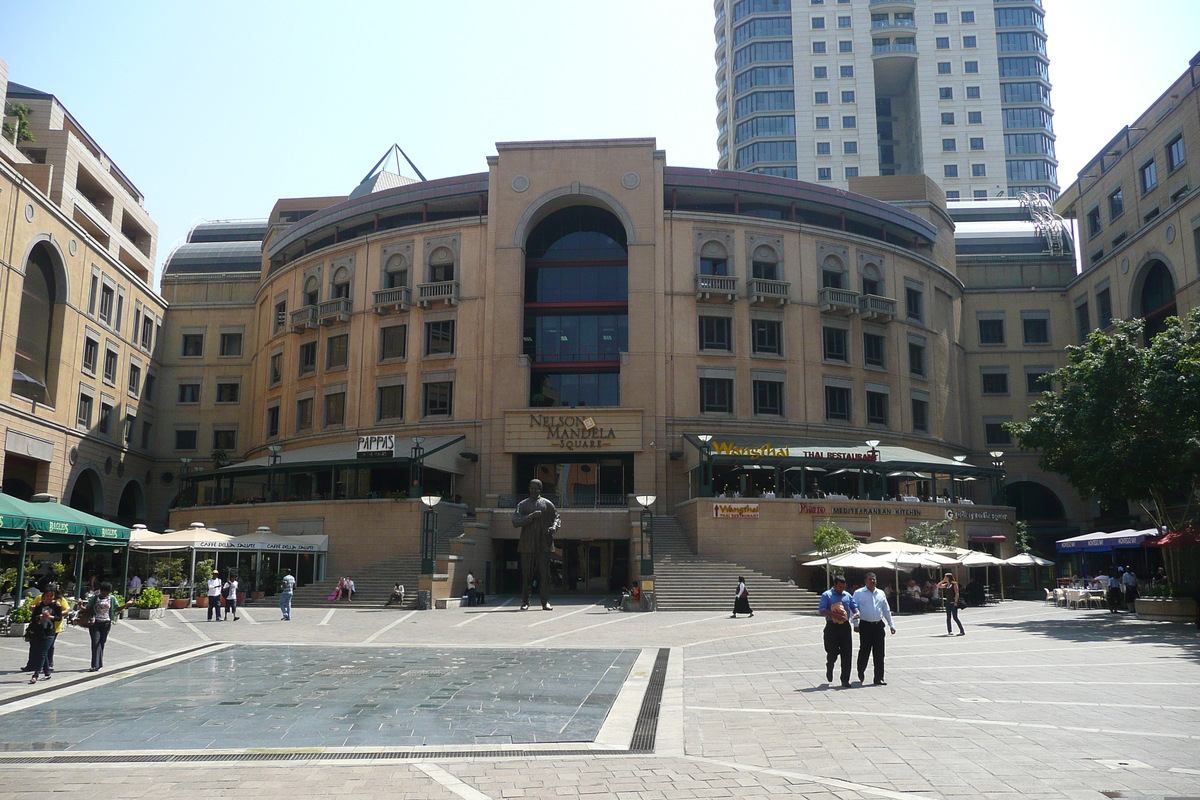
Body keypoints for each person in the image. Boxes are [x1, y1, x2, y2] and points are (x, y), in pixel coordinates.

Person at [512, 478, 560, 611]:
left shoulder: (547, 504)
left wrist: (554, 527)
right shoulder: (523, 504)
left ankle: (545, 602)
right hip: (527, 544)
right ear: (528, 489)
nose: (534, 490)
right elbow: (515, 521)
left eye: (536, 488)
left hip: (543, 544)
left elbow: (557, 517)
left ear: (540, 489)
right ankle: (525, 601)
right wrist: (530, 517)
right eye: (532, 488)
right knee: (527, 574)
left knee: (545, 575)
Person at [851, 572, 895, 686]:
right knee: (864, 651)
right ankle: (861, 670)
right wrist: (855, 624)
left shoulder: (880, 593)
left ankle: (879, 677)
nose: (872, 581)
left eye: (874, 579)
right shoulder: (859, 593)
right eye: (870, 579)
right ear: (865, 581)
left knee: (879, 653)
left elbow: (886, 609)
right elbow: (853, 609)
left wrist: (891, 624)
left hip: (878, 626)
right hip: (865, 626)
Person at [819, 575, 856, 687]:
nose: (841, 589)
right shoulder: (827, 595)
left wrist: (857, 612)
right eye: (839, 587)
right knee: (832, 651)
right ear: (835, 585)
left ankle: (845, 679)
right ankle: (830, 664)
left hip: (844, 627)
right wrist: (834, 615)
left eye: (843, 587)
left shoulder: (847, 595)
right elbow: (822, 609)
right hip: (832, 626)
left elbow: (854, 606)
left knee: (847, 653)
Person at [85, 582, 130, 672]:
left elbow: (117, 608)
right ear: (100, 591)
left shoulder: (111, 598)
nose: (105, 594)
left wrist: (126, 605)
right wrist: (80, 606)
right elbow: (88, 608)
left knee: (102, 642)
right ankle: (94, 665)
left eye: (107, 592)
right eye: (104, 592)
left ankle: (99, 663)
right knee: (95, 642)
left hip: (106, 623)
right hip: (95, 623)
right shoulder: (95, 598)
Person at [26, 589, 63, 683]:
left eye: (51, 596)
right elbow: (33, 617)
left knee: (42, 653)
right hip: (39, 631)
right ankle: (47, 673)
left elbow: (59, 618)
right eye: (47, 596)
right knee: (43, 653)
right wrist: (40, 616)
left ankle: (36, 675)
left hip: (50, 632)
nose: (49, 598)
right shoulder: (39, 604)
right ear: (43, 596)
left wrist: (50, 616)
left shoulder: (56, 605)